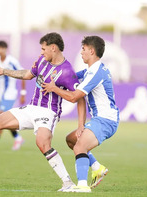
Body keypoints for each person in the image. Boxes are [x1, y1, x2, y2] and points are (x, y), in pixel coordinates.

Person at [0, 32, 87, 191]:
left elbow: (79, 98)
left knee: (42, 143)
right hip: (31, 108)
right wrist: (4, 71)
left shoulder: (67, 71)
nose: (41, 52)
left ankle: (68, 183)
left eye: (44, 49)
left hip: (49, 112)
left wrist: (80, 125)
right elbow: (27, 74)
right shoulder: (42, 60)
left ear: (53, 48)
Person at [42, 35, 119, 193]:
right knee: (71, 140)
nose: (81, 52)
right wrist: (55, 76)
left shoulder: (95, 72)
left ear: (91, 51)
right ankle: (97, 168)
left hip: (105, 120)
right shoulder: (92, 70)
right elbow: (71, 77)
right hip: (102, 119)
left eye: (83, 49)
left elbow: (74, 97)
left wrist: (54, 88)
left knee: (80, 146)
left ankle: (82, 186)